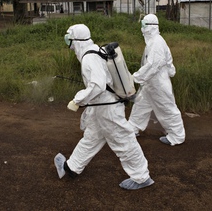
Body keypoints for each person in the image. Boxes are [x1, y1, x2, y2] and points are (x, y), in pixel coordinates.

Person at [54, 24, 154, 190]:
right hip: (102, 106)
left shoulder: (88, 57)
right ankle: (71, 167)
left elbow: (98, 85)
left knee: (123, 139)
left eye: (68, 39)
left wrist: (78, 100)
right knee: (92, 137)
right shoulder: (95, 50)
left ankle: (141, 176)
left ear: (76, 40)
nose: (68, 44)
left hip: (107, 107)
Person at [128, 14, 186, 146]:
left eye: (143, 25)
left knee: (167, 108)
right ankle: (133, 128)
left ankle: (177, 136)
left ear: (150, 27)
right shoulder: (152, 42)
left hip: (158, 83)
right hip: (150, 83)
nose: (141, 27)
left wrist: (135, 77)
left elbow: (153, 66)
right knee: (140, 105)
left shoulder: (157, 42)